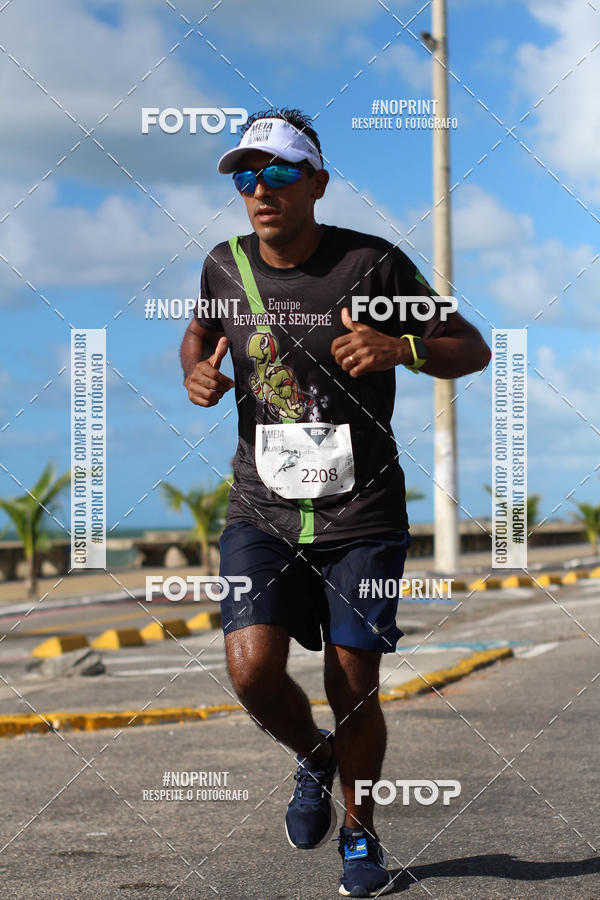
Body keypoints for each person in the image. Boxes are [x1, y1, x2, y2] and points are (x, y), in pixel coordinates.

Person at [180, 108, 490, 897]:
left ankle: (361, 834)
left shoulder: (374, 265)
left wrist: (402, 348)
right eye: (247, 176)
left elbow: (471, 346)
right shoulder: (224, 266)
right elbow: (199, 335)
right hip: (262, 508)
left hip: (364, 515)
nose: (260, 190)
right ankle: (315, 759)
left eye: (279, 172)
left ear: (317, 181)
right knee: (252, 675)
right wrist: (198, 373)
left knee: (354, 684)